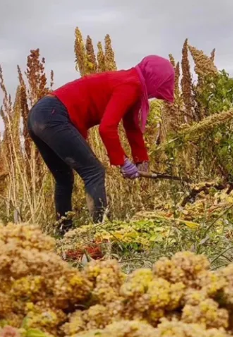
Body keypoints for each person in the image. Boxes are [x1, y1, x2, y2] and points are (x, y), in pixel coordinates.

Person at [27, 54, 175, 234]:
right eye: (160, 87)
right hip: (53, 115)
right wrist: (122, 161)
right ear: (156, 79)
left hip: (39, 115)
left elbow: (132, 127)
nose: (155, 94)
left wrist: (141, 160)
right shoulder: (131, 85)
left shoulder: (131, 81)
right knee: (94, 171)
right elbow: (107, 128)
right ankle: (101, 231)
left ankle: (64, 231)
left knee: (64, 177)